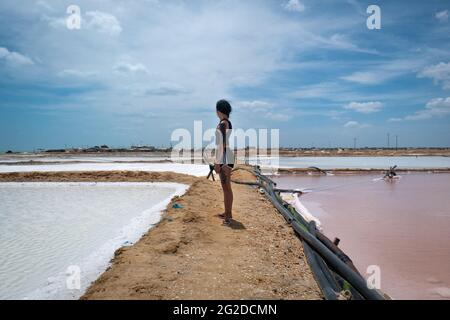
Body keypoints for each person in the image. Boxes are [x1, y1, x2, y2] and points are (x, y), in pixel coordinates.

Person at [214, 99, 234, 225]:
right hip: (227, 156)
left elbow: (221, 144)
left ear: (218, 111)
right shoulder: (227, 123)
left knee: (226, 188)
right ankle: (228, 213)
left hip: (224, 157)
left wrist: (217, 162)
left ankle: (228, 216)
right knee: (227, 188)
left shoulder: (222, 124)